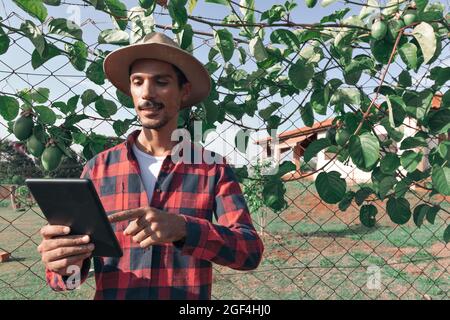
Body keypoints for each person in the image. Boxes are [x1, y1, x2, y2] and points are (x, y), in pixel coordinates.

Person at [37, 32, 264, 300]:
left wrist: (184, 228)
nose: (147, 93)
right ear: (130, 91)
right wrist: (64, 264)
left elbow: (249, 252)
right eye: (138, 82)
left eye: (162, 82)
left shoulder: (212, 169)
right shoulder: (98, 169)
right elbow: (69, 277)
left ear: (184, 91)